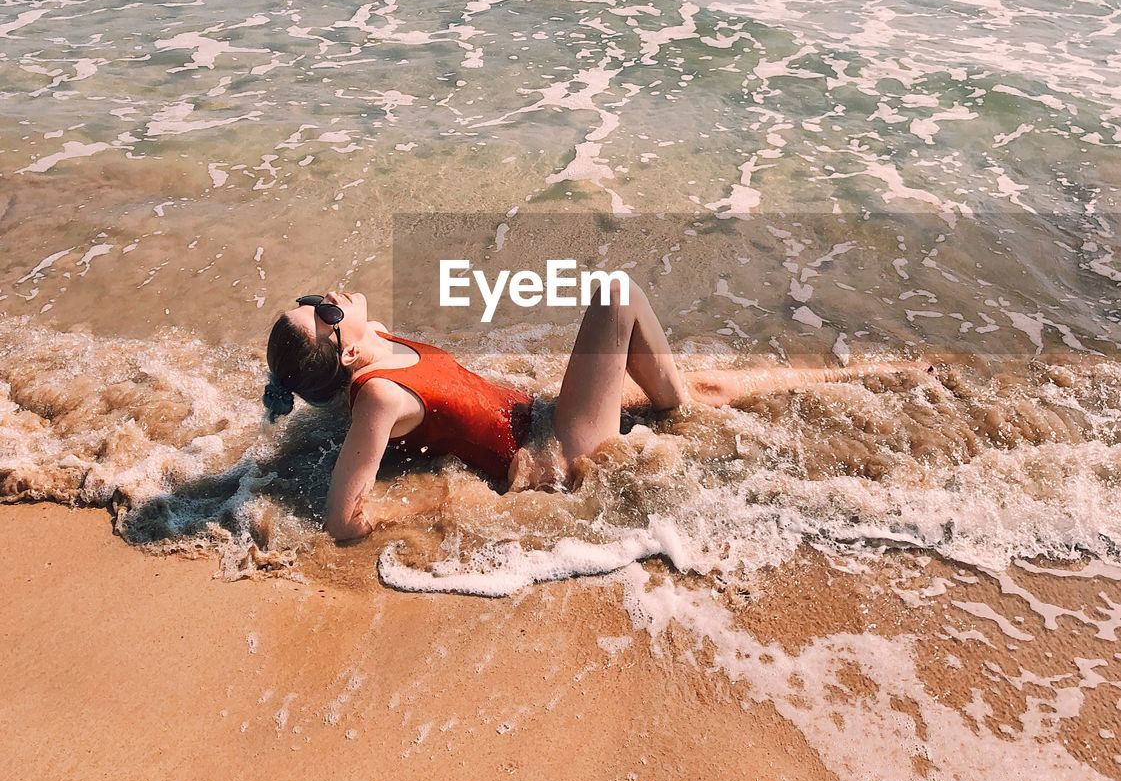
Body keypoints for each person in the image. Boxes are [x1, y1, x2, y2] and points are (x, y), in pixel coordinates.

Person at [263, 283, 902, 541]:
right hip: (551, 453)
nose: (330, 298)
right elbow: (342, 522)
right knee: (618, 299)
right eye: (324, 313)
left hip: (541, 414)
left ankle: (879, 374)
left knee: (708, 385)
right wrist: (443, 506)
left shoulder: (374, 342)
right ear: (344, 354)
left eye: (314, 299)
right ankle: (679, 414)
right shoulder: (376, 394)